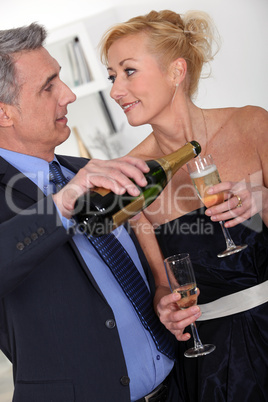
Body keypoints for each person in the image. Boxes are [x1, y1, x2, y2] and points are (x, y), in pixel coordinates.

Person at [0, 23, 201, 402]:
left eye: (62, 79)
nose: (70, 95)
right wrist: (61, 204)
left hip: (179, 387)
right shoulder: (74, 185)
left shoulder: (88, 169)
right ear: (4, 113)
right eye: (49, 86)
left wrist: (161, 297)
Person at [99, 9, 268, 402]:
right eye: (111, 76)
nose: (115, 90)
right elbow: (163, 284)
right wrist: (166, 308)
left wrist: (263, 201)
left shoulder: (252, 125)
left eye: (128, 71)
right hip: (212, 365)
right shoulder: (133, 178)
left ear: (176, 71)